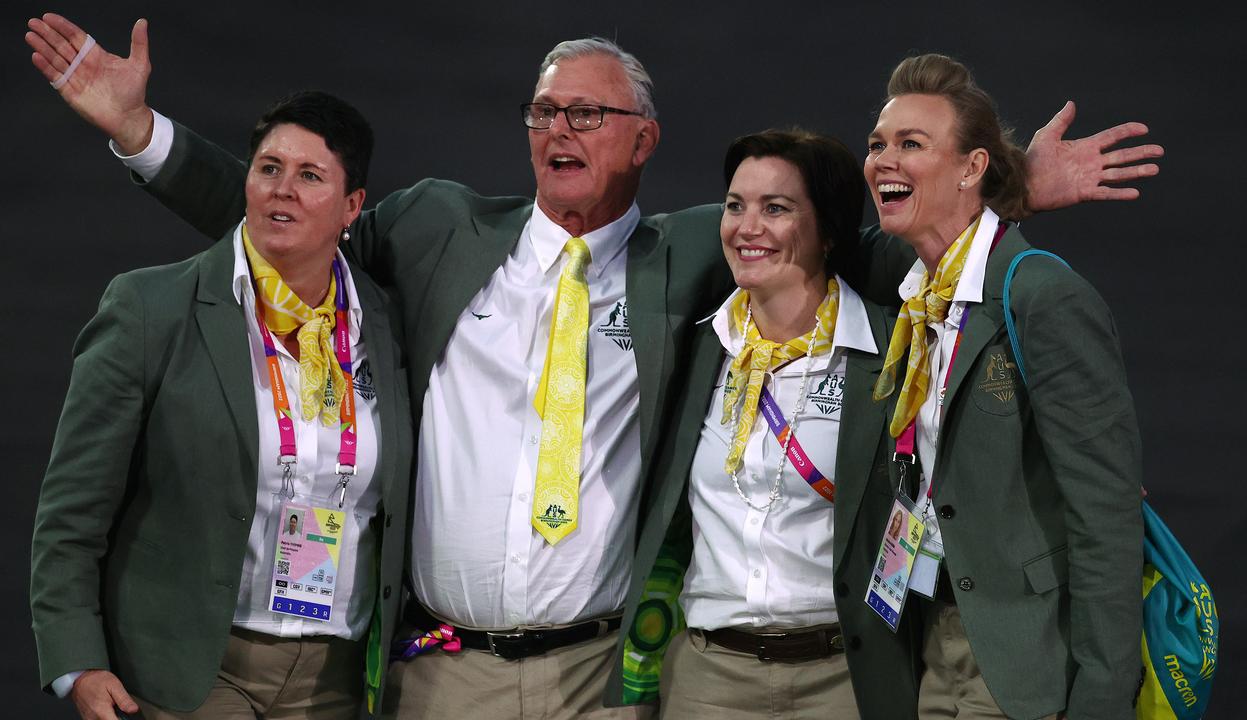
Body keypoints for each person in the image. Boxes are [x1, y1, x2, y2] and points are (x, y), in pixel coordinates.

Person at [25, 13, 1162, 718]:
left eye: (586, 111)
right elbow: (282, 216)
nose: (557, 128)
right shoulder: (431, 230)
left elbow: (845, 242)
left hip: (602, 681)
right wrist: (142, 135)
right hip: (440, 673)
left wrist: (1001, 189)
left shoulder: (696, 256)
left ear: (641, 139)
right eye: (541, 109)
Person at [29, 90, 413, 720]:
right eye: (269, 168)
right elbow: (71, 513)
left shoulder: (387, 325)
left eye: (309, 175)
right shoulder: (151, 309)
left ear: (352, 207)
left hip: (338, 682)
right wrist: (77, 662)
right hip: (191, 672)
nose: (282, 189)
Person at [862, 53, 1143, 719]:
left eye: (911, 144)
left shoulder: (1042, 295)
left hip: (1027, 656)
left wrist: (1103, 698)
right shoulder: (911, 290)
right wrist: (1019, 190)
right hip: (932, 644)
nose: (882, 160)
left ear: (971, 167)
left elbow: (1105, 517)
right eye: (877, 143)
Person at [608, 129, 918, 719]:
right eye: (735, 206)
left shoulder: (888, 351)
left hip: (845, 679)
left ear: (828, 231)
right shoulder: (696, 348)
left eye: (775, 208)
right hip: (707, 679)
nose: (747, 227)